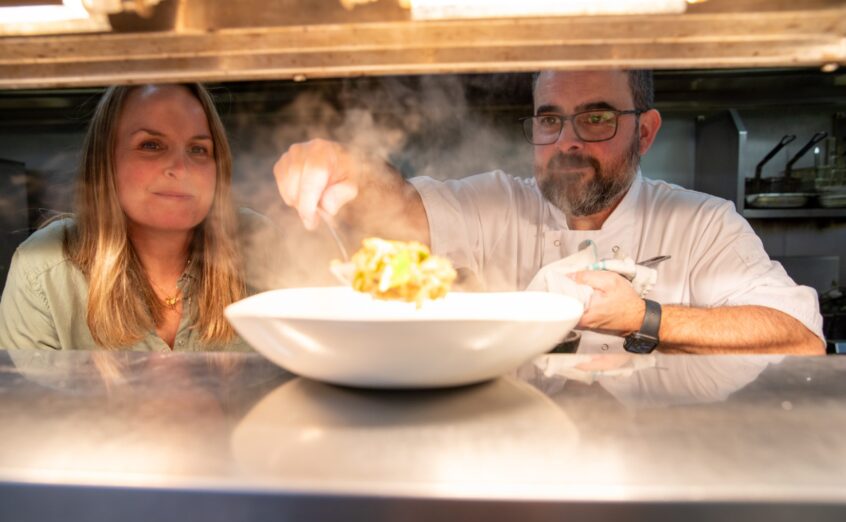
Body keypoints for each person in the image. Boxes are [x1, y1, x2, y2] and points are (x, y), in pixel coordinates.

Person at [273, 69, 825, 355]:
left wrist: (646, 318)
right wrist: (348, 166)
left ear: (646, 131)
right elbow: (397, 209)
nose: (567, 142)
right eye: (549, 119)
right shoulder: (496, 203)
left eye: (596, 118)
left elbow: (801, 337)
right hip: (512, 451)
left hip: (657, 457)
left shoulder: (703, 223)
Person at [0, 83, 279, 351]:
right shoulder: (44, 269)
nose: (181, 169)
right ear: (106, 160)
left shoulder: (259, 244)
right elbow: (24, 396)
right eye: (151, 145)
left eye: (198, 149)